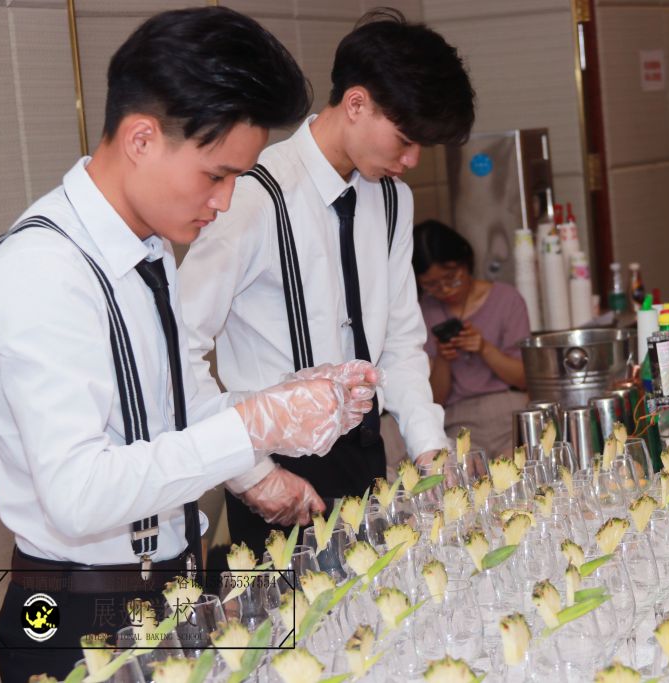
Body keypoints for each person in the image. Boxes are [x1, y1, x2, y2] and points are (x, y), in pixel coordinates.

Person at [0, 9, 377, 680]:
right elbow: (78, 492)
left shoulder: (150, 246)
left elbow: (177, 405)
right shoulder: (44, 269)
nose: (224, 202)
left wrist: (267, 444)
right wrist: (254, 424)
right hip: (75, 610)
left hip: (175, 587)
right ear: (141, 138)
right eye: (216, 175)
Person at [177, 9, 476, 553]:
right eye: (405, 140)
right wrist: (251, 474)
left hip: (368, 455)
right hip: (278, 473)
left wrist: (429, 446)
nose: (411, 160)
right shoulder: (253, 196)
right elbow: (177, 346)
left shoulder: (392, 200)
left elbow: (401, 341)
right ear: (356, 104)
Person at [414, 220, 530, 458]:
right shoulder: (423, 311)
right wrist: (443, 359)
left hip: (509, 413)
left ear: (465, 261)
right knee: (463, 468)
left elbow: (523, 379)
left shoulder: (507, 299)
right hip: (458, 421)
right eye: (431, 285)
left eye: (451, 277)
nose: (446, 289)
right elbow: (434, 399)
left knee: (519, 462)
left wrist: (484, 348)